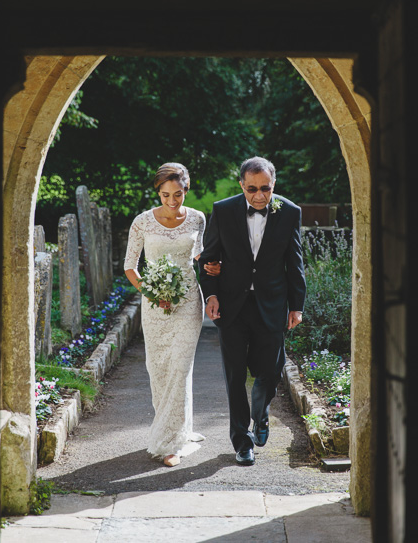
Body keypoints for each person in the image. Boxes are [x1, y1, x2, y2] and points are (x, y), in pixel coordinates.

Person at [199, 156, 305, 466]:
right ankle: (241, 442)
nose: (259, 196)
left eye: (265, 189)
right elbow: (209, 259)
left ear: (274, 185)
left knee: (269, 371)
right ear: (242, 185)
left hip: (272, 304)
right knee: (234, 376)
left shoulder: (290, 212)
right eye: (251, 189)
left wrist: (297, 306)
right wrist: (212, 295)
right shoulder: (223, 210)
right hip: (232, 306)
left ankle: (261, 415)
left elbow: (295, 263)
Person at [124, 163, 220, 467]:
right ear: (158, 192)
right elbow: (130, 266)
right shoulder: (142, 222)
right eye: (165, 195)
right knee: (160, 368)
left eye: (177, 194)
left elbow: (200, 255)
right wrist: (150, 292)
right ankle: (182, 427)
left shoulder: (197, 218)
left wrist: (212, 266)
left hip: (188, 300)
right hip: (154, 304)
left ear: (186, 190)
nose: (171, 201)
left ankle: (170, 443)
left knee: (180, 366)